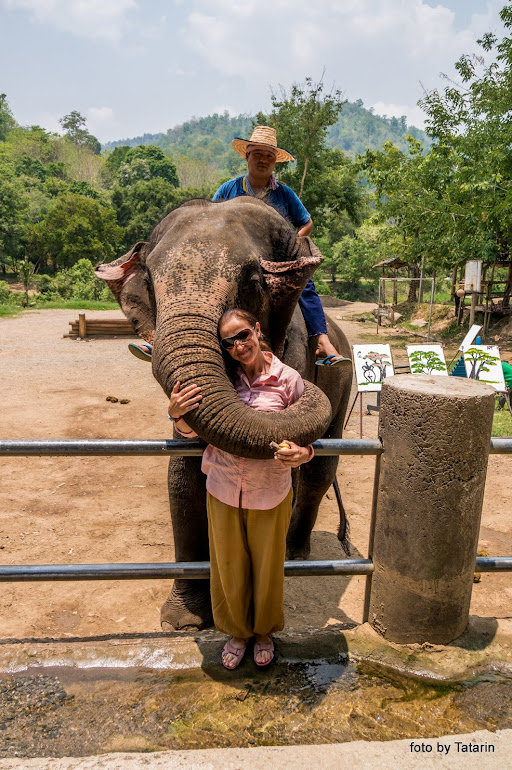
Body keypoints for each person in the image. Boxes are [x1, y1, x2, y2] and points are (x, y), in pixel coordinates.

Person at [167, 308, 314, 669]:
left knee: (267, 568)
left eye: (243, 335)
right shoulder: (221, 380)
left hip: (271, 490)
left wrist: (303, 453)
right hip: (223, 487)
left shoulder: (288, 380)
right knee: (228, 566)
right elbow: (193, 432)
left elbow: (309, 431)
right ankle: (236, 632)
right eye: (229, 342)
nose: (238, 346)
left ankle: (263, 631)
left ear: (257, 330)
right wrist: (176, 415)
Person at [212, 125, 349, 367]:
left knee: (305, 285)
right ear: (247, 156)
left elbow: (307, 222)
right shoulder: (229, 189)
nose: (263, 160)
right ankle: (165, 336)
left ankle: (321, 340)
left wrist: (293, 242)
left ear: (275, 162)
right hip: (234, 260)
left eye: (269, 156)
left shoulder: (284, 194)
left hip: (276, 261)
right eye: (258, 154)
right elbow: (210, 220)